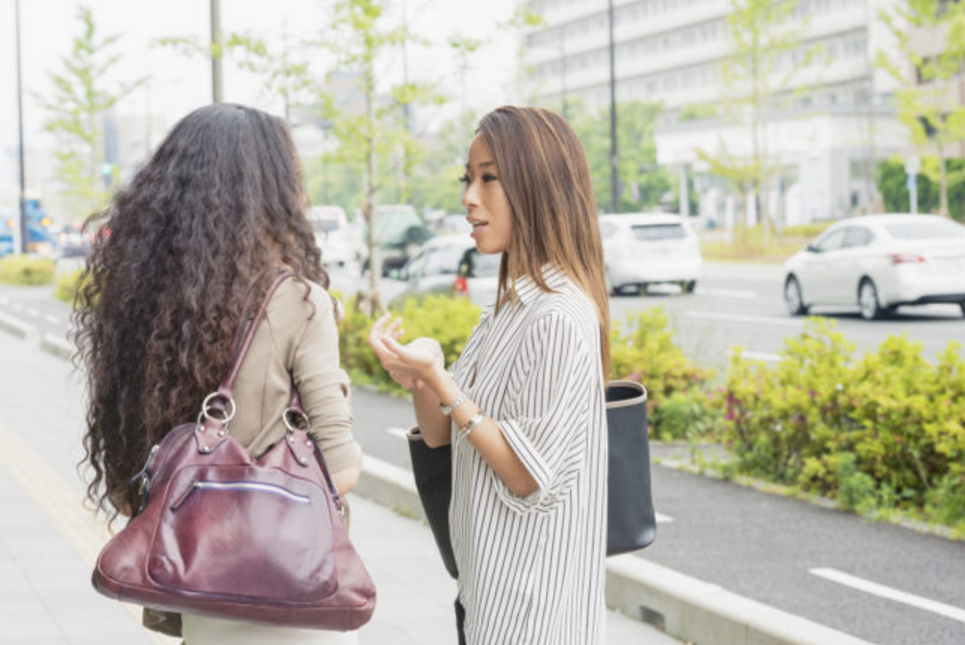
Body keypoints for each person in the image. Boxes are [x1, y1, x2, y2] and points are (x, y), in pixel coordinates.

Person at [74, 103, 363, 645]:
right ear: (272, 191)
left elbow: (131, 482)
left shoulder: (146, 307)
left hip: (201, 596)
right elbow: (339, 472)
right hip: (290, 594)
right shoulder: (298, 302)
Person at [368, 106, 610, 644]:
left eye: (488, 177)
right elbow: (440, 435)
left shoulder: (559, 315)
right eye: (467, 178)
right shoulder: (508, 307)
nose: (468, 197)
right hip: (487, 596)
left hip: (535, 612)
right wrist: (424, 372)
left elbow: (527, 473)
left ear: (537, 186)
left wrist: (445, 381)